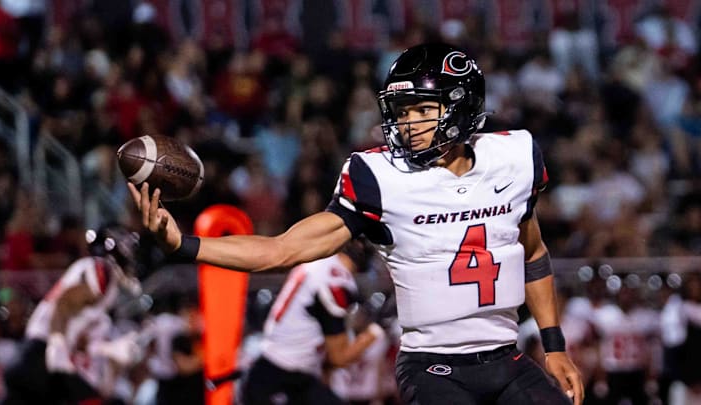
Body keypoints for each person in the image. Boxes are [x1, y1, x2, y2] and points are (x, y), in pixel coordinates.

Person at [129, 42, 584, 404]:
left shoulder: (513, 157)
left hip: (508, 358)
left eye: (423, 110)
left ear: (461, 107)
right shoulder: (381, 178)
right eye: (402, 113)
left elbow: (533, 253)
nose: (408, 125)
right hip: (433, 368)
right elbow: (282, 249)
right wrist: (183, 245)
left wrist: (555, 345)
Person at [3, 224, 143, 405]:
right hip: (39, 357)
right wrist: (57, 342)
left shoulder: (105, 279)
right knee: (89, 399)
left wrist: (109, 349)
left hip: (39, 359)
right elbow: (65, 302)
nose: (130, 254)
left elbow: (79, 339)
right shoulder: (100, 270)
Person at [241, 241, 385, 405]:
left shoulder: (318, 262)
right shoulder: (335, 280)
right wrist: (376, 331)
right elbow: (339, 357)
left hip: (278, 372)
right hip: (281, 378)